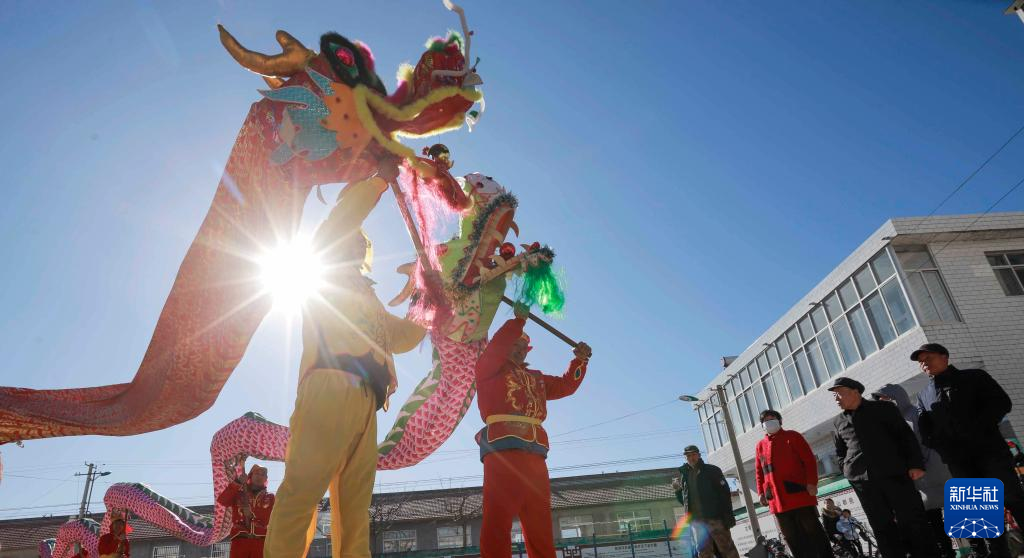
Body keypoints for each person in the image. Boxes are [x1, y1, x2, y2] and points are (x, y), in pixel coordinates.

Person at [263, 177, 427, 558]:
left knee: (355, 511)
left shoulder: (369, 299)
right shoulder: (323, 270)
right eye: (350, 237)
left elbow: (402, 336)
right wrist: (378, 181)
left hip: (368, 404)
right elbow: (341, 219)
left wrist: (428, 300)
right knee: (302, 491)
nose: (355, 243)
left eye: (359, 241)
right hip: (329, 386)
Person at [476, 307, 592, 558]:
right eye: (514, 344)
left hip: (536, 455)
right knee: (498, 521)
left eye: (523, 348)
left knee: (539, 523)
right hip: (502, 451)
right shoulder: (488, 369)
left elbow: (566, 385)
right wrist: (518, 321)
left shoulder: (537, 378)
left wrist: (580, 361)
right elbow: (495, 347)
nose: (519, 350)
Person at [914, 342, 1024, 558]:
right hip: (959, 461)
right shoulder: (924, 395)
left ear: (944, 357)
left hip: (990, 452)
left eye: (928, 358)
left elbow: (1002, 403)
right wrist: (943, 447)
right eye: (921, 362)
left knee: (1012, 498)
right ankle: (998, 553)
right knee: (979, 509)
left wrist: (977, 429)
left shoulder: (974, 377)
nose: (924, 364)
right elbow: (925, 429)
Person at [829, 376, 935, 558]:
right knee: (881, 526)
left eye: (839, 394)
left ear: (855, 392)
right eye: (834, 396)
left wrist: (915, 464)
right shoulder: (839, 421)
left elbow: (905, 437)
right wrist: (846, 469)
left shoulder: (883, 409)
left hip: (894, 474)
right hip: (863, 482)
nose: (836, 399)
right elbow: (840, 451)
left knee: (912, 520)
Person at [872, 383, 955, 558]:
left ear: (897, 397)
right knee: (933, 521)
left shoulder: (915, 413)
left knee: (956, 511)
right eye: (879, 400)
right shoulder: (890, 423)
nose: (882, 402)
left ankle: (979, 548)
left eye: (885, 398)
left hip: (936, 471)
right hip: (918, 480)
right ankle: (947, 552)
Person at [753, 410, 834, 558]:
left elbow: (809, 460)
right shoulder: (760, 446)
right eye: (765, 420)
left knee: (813, 531)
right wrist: (761, 493)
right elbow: (759, 472)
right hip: (776, 501)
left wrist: (812, 482)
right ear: (762, 425)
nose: (769, 422)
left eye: (772, 418)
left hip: (799, 495)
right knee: (791, 537)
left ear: (780, 421)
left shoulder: (793, 436)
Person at [672, 446, 740, 558]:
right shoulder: (685, 475)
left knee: (727, 549)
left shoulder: (712, 470)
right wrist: (678, 491)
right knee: (703, 552)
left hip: (715, 518)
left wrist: (728, 515)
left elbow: (725, 494)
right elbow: (686, 502)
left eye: (694, 454)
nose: (691, 458)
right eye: (688, 456)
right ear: (685, 458)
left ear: (699, 455)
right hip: (697, 522)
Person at [217, 464, 275, 558]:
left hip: (261, 543)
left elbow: (269, 519)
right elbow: (222, 500)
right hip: (240, 541)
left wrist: (251, 515)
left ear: (266, 479)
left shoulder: (270, 497)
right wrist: (237, 482)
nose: (259, 476)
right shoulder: (238, 493)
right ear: (250, 476)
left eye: (263, 474)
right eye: (257, 473)